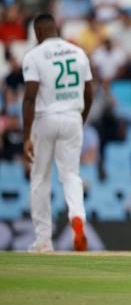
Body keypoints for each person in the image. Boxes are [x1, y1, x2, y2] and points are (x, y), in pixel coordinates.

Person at [21, 13, 94, 252]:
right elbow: (89, 93)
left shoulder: (34, 56)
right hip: (73, 116)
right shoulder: (78, 52)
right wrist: (79, 120)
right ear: (57, 28)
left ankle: (43, 241)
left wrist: (26, 137)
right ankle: (77, 217)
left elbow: (30, 98)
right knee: (71, 175)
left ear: (38, 33)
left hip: (45, 119)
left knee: (40, 179)